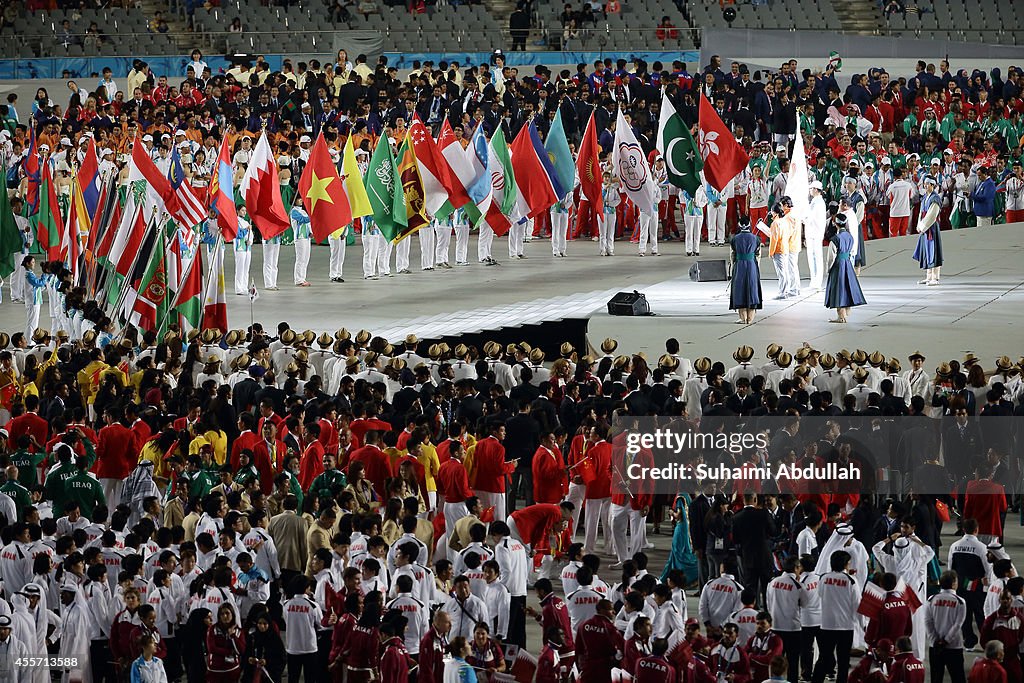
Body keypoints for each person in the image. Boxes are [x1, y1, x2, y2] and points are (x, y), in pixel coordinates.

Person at [823, 212, 866, 324]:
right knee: (847, 287)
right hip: (847, 263)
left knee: (838, 290)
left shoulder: (835, 239)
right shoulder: (850, 237)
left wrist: (829, 269)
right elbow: (852, 251)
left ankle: (841, 316)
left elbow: (831, 257)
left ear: (835, 224)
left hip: (838, 265)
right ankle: (847, 311)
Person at [730, 216, 762, 324]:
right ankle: (750, 318)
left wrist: (733, 266)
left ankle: (743, 318)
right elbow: (758, 254)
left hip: (739, 265)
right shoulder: (756, 238)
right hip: (752, 264)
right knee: (752, 288)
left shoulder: (735, 239)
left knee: (740, 289)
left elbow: (732, 255)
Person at [912, 174, 944, 286]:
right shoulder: (925, 197)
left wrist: (923, 227)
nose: (925, 186)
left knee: (933, 251)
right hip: (925, 228)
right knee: (927, 251)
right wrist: (919, 225)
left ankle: (935, 277)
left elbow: (932, 215)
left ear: (933, 185)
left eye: (927, 184)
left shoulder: (935, 199)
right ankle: (928, 276)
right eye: (924, 184)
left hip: (932, 228)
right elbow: (921, 213)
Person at [805, 180, 827, 291]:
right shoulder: (815, 201)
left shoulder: (818, 203)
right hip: (813, 232)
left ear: (815, 190)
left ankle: (816, 281)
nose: (810, 190)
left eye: (811, 188)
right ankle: (814, 280)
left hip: (815, 233)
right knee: (813, 256)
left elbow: (810, 217)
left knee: (816, 257)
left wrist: (802, 218)